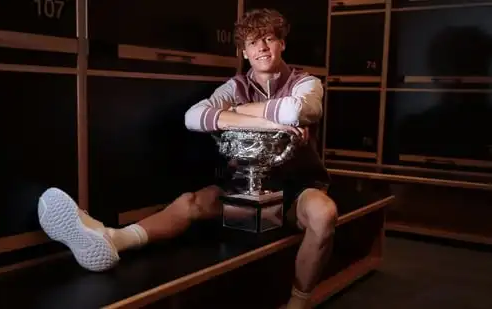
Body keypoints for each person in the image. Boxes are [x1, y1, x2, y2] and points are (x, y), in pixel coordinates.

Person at [38, 8, 337, 309]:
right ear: (244, 51)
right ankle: (112, 239)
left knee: (324, 214)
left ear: (281, 43)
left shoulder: (306, 83)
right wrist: (267, 122)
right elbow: (193, 117)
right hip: (243, 184)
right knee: (193, 202)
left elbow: (298, 111)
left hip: (297, 185)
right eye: (252, 42)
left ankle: (298, 304)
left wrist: (235, 113)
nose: (261, 48)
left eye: (269, 39)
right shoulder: (235, 87)